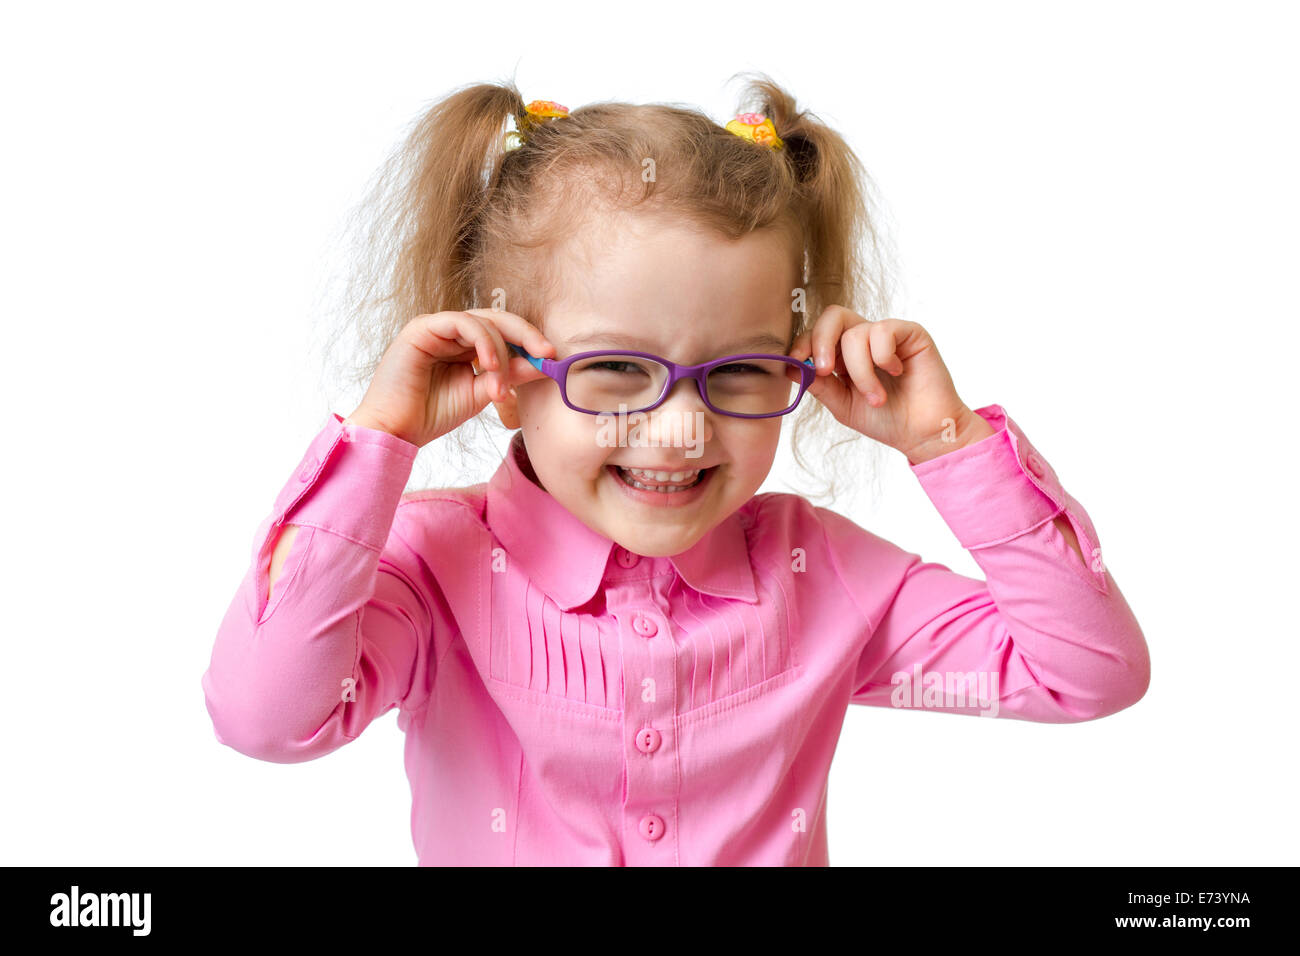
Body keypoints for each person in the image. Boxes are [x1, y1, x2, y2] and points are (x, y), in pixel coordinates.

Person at [201, 75, 1150, 865]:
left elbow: (1087, 674)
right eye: (616, 368)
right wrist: (381, 438)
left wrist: (944, 440)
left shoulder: (817, 572)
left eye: (738, 370)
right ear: (497, 371)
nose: (683, 428)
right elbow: (267, 718)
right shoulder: (433, 566)